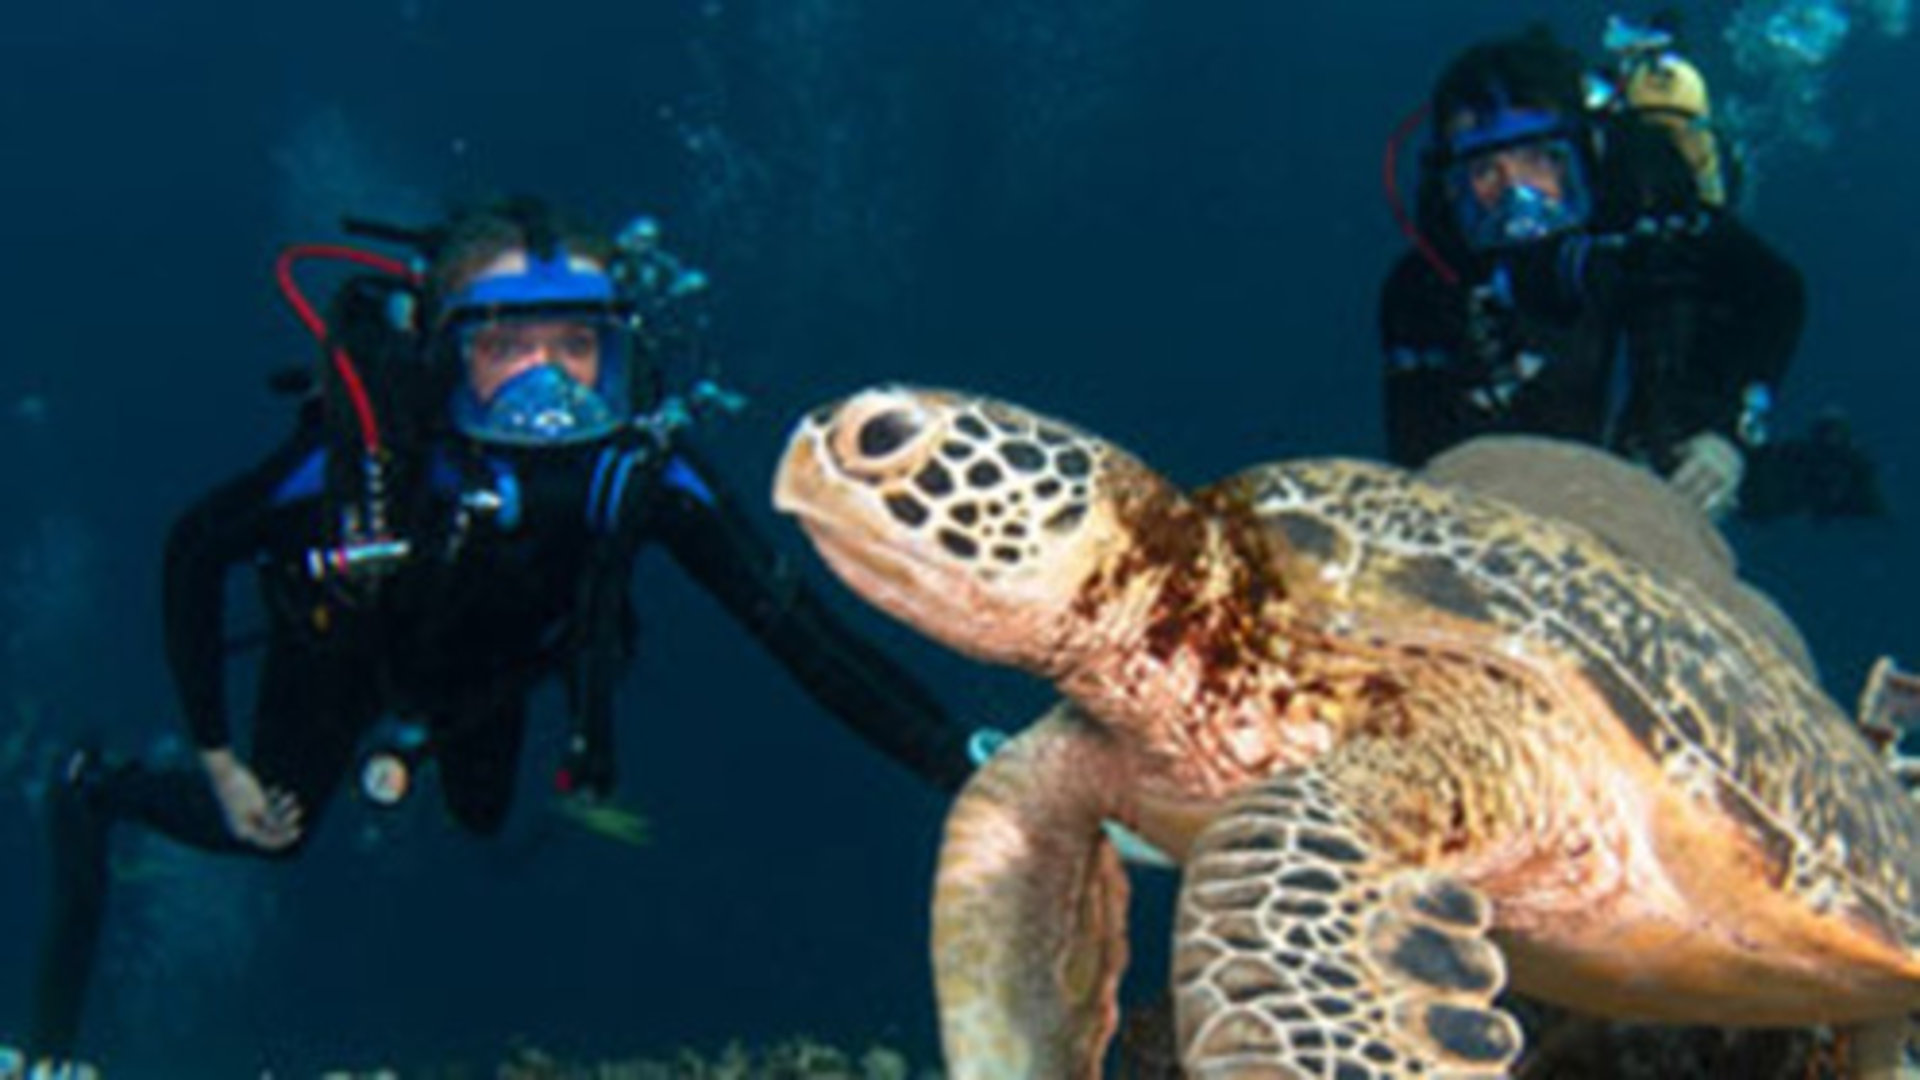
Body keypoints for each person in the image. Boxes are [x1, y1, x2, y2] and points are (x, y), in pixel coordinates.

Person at [22, 198, 977, 1070]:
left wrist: (965, 763)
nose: (546, 377)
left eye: (576, 345)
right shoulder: (371, 461)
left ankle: (409, 777)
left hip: (487, 678)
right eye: (504, 346)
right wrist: (219, 758)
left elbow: (799, 633)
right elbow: (194, 551)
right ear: (445, 352)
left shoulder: (639, 471)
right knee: (273, 834)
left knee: (480, 815)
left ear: (617, 354)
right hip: (340, 658)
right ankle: (92, 790)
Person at [1378, 22, 1883, 522]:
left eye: (1539, 160)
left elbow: (1776, 292)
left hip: (1663, 368)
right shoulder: (1420, 291)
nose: (1516, 194)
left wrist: (1729, 436)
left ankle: (1824, 471)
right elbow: (1420, 456)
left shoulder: (1652, 208)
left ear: (1584, 153)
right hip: (1537, 435)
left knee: (1684, 473)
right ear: (1453, 187)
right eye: (1486, 171)